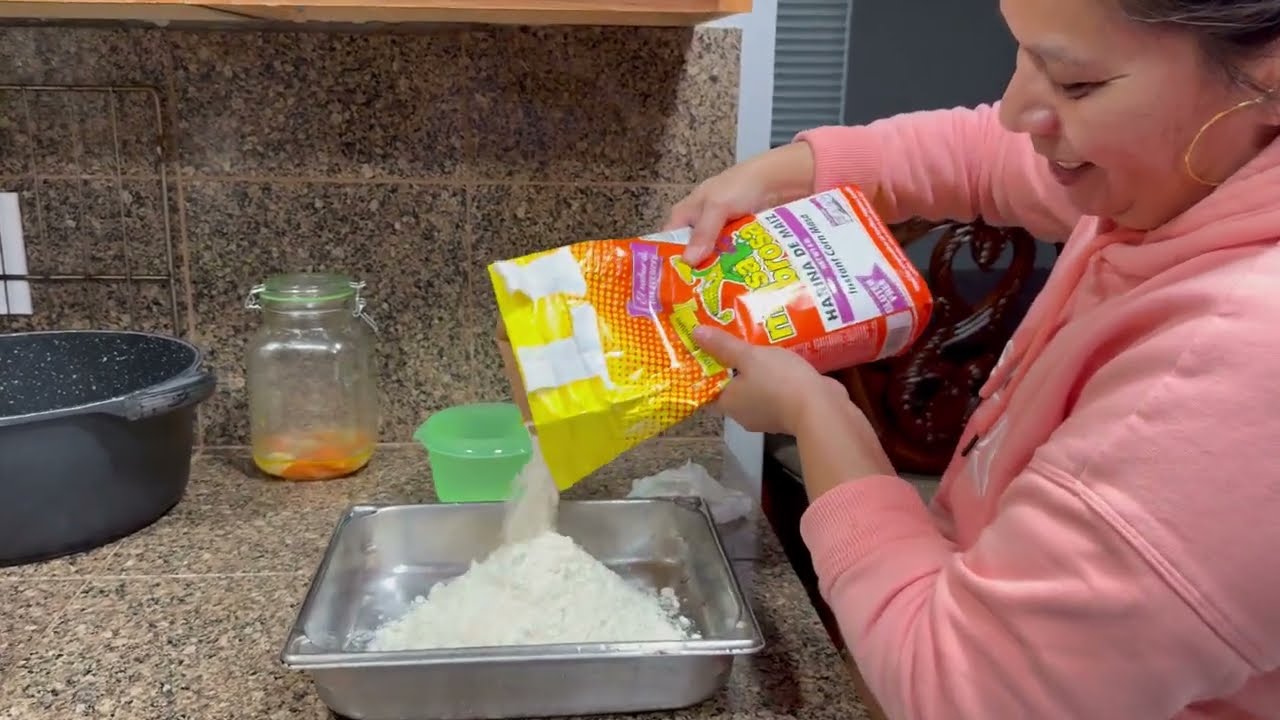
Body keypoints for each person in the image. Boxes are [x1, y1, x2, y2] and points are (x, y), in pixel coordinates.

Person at [669, 0, 1280, 718]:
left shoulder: (1236, 367)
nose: (1017, 111)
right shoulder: (1191, 171)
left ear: (1264, 83)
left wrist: (818, 414)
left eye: (1074, 85)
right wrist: (791, 170)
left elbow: (961, 695)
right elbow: (984, 156)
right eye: (1023, 55)